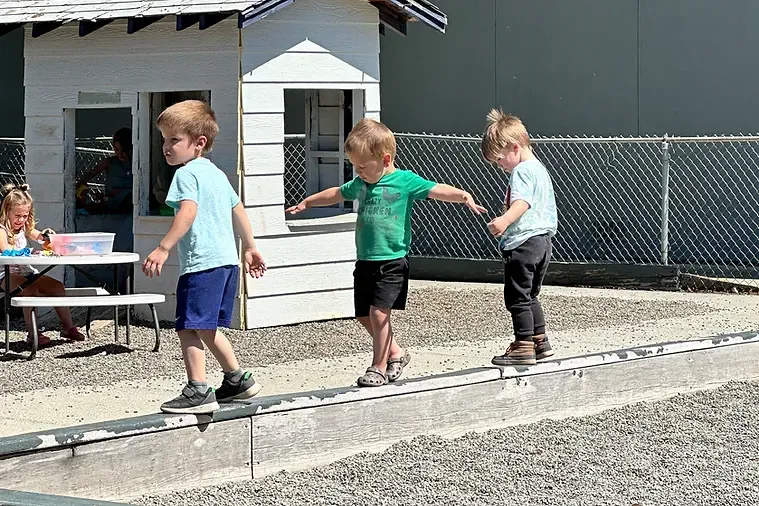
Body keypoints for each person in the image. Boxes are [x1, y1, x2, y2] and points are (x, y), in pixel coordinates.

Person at [286, 118, 487, 387]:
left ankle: (378, 367)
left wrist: (464, 196)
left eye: (362, 166)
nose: (358, 172)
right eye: (354, 166)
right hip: (365, 260)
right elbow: (336, 193)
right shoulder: (362, 184)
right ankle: (395, 353)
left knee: (380, 314)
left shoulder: (404, 181)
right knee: (364, 315)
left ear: (385, 159)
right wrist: (307, 202)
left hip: (392, 261)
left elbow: (435, 190)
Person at [141, 100, 267, 414]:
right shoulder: (216, 174)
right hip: (226, 262)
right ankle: (237, 379)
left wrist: (164, 246)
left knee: (187, 327)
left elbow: (188, 211)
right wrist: (250, 247)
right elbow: (237, 209)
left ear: (199, 144)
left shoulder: (186, 175)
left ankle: (198, 388)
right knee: (206, 326)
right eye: (163, 140)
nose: (166, 147)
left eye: (174, 140)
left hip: (201, 265)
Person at [481, 109, 558, 366]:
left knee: (517, 297)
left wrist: (503, 221)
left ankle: (523, 345)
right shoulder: (540, 170)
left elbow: (522, 203)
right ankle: (540, 340)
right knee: (530, 295)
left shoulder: (522, 171)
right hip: (543, 242)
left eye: (500, 159)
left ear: (515, 147)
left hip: (524, 243)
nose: (500, 166)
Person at [0, 183, 86, 346]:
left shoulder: (24, 227)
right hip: (5, 274)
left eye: (25, 216)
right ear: (6, 212)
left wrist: (48, 238)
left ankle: (68, 328)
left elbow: (39, 237)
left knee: (57, 287)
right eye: (18, 216)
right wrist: (27, 252)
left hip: (25, 271)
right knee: (30, 291)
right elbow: (5, 249)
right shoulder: (2, 229)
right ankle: (33, 334)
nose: (21, 220)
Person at [76, 127, 133, 214]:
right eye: (117, 149)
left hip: (129, 201)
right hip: (112, 202)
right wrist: (80, 182)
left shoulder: (135, 164)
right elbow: (92, 172)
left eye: (124, 149)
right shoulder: (110, 162)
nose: (120, 153)